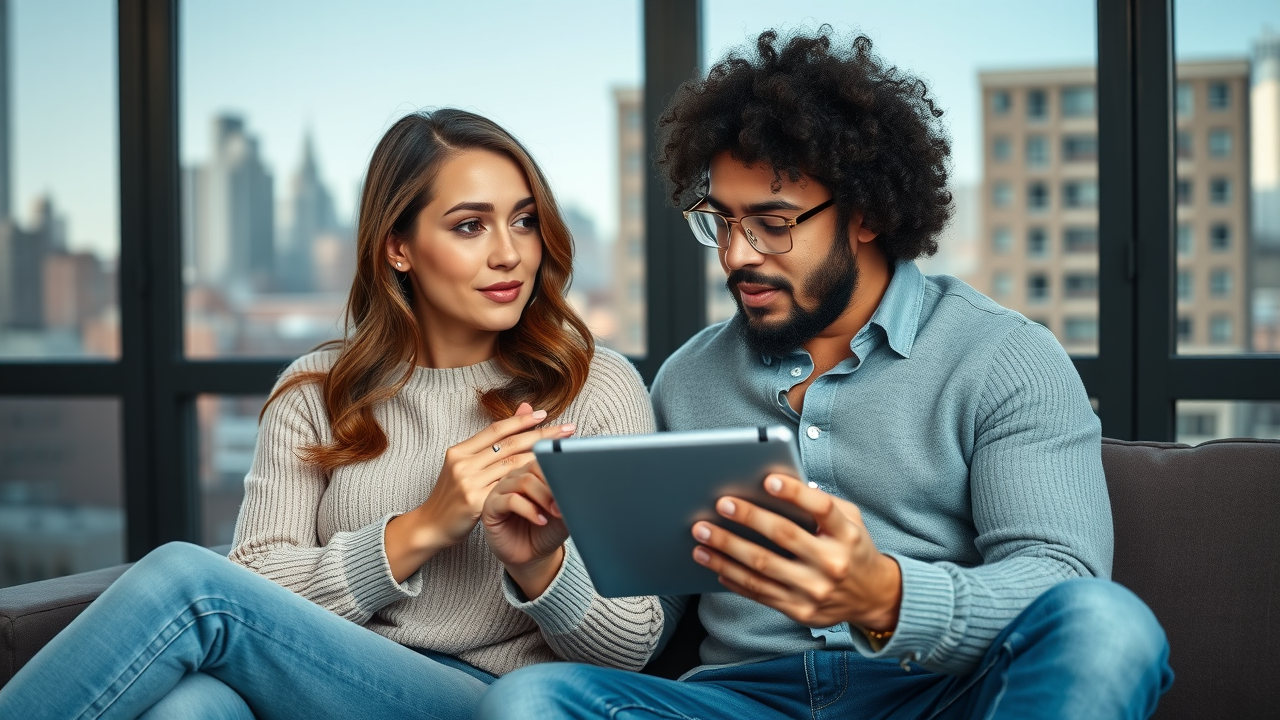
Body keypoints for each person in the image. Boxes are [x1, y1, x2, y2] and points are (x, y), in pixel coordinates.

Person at [478, 29, 1174, 720]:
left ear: (866, 213)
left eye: (773, 222)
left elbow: (1060, 580)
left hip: (937, 693)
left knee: (1110, 626)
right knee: (531, 700)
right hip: (743, 702)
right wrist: (544, 568)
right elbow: (647, 627)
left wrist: (884, 596)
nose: (736, 256)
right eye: (720, 221)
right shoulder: (689, 378)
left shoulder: (1002, 358)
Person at [0, 109, 661, 720]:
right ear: (397, 248)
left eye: (522, 220)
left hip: (484, 699)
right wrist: (423, 528)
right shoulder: (317, 389)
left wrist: (539, 565)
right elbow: (260, 581)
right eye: (469, 225)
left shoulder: (593, 386)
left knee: (189, 581)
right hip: (315, 682)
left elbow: (632, 646)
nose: (509, 253)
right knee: (191, 707)